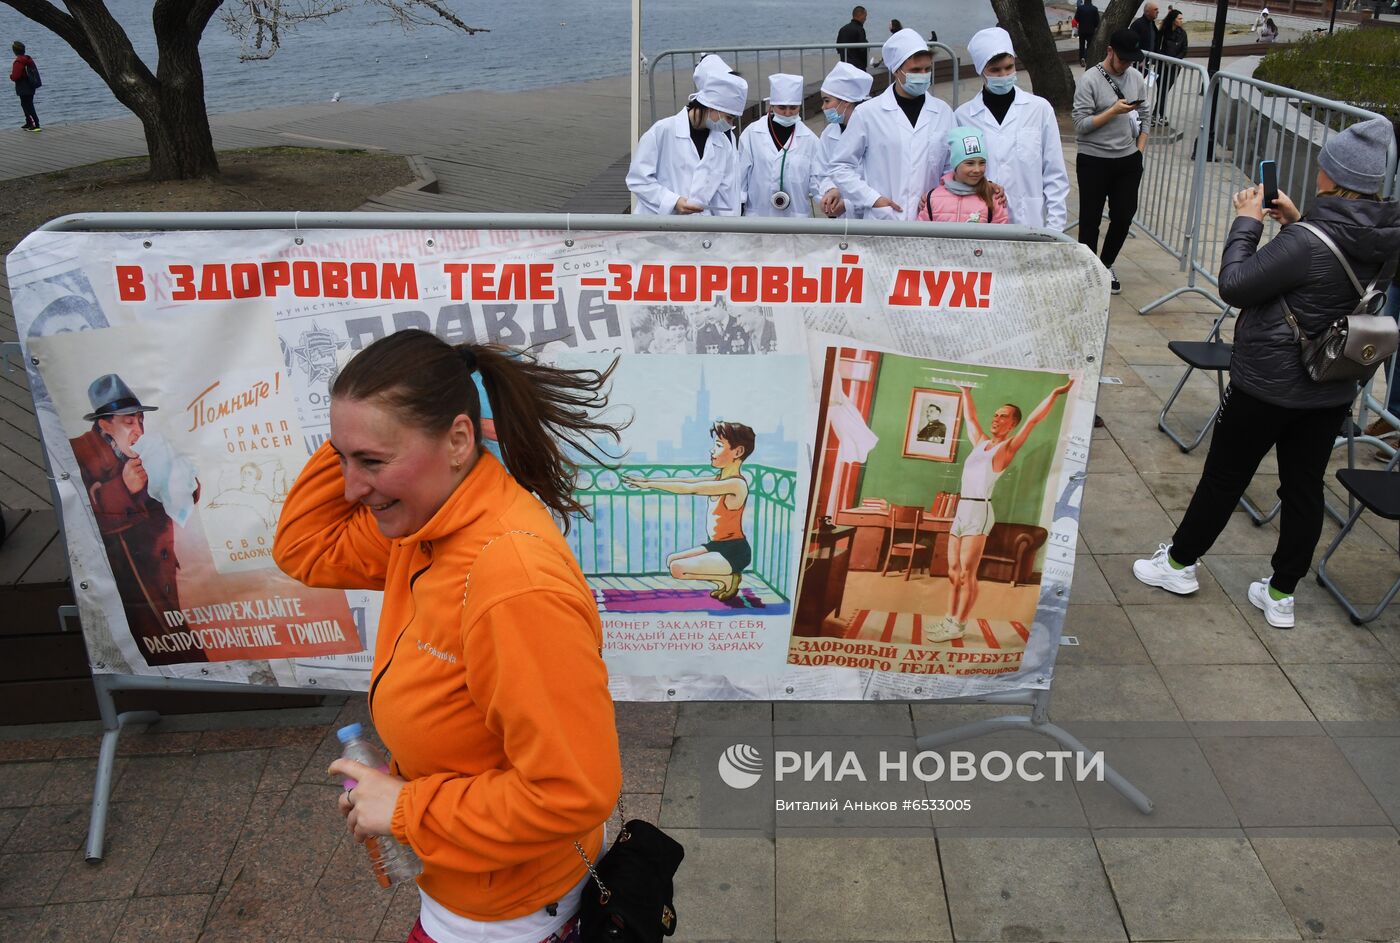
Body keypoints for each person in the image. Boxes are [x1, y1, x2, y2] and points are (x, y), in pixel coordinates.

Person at [275, 330, 624, 941]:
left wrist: (406, 808)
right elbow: (305, 546)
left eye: (373, 461)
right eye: (340, 460)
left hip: (506, 913)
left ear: (459, 440)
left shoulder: (514, 585)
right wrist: (356, 440)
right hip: (464, 885)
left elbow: (573, 792)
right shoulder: (424, 522)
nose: (352, 489)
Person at [1132, 118, 1400, 630]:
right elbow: (1330, 274)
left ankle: (1178, 565)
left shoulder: (1305, 242)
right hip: (1331, 384)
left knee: (1225, 477)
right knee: (1302, 487)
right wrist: (1295, 222)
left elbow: (1235, 283)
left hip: (1268, 383)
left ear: (1330, 172)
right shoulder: (1385, 236)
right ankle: (1281, 594)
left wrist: (1248, 222)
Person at [70, 374, 203, 666]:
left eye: (140, 420)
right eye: (128, 422)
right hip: (125, 574)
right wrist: (123, 487)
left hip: (162, 567)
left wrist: (185, 481)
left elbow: (173, 489)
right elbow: (81, 511)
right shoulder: (80, 450)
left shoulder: (150, 446)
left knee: (177, 638)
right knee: (154, 643)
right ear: (105, 423)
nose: (138, 429)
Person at [930, 380, 1075, 642]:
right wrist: (965, 392)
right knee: (952, 570)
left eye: (1003, 416)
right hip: (962, 509)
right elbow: (971, 417)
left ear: (1012, 424)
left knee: (966, 573)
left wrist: (1054, 393)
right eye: (996, 415)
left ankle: (960, 624)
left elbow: (1032, 420)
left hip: (979, 511)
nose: (996, 419)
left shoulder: (1006, 448)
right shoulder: (980, 443)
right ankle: (950, 619)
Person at [829, 27, 954, 222]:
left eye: (927, 69)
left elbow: (950, 167)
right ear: (896, 70)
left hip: (930, 219)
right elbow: (840, 166)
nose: (923, 75)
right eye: (915, 70)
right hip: (884, 219)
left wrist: (939, 197)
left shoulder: (943, 112)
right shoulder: (868, 113)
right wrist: (873, 199)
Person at [624, 421, 756, 600]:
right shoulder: (719, 479)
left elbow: (691, 488)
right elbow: (689, 482)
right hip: (716, 545)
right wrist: (648, 483)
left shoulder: (736, 484)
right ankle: (726, 579)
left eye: (718, 446)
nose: (712, 451)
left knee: (677, 568)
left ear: (738, 452)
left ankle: (728, 578)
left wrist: (649, 484)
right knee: (671, 561)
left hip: (735, 551)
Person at [953, 27, 1069, 230]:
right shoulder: (963, 117)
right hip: (980, 221)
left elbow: (1054, 173)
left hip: (1030, 220)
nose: (1004, 75)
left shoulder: (1039, 109)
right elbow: (955, 172)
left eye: (1009, 67)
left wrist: (1055, 227)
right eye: (995, 70)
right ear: (981, 71)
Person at [1072, 28, 1151, 294]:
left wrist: (1139, 151)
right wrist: (1112, 111)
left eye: (1132, 60)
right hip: (1093, 159)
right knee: (1090, 219)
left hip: (1127, 159)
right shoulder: (1090, 80)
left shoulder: (1136, 78)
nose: (1127, 64)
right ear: (1110, 52)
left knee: (1124, 216)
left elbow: (1146, 116)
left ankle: (1104, 265)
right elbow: (1080, 125)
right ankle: (1087, 269)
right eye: (1122, 59)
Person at [627, 68, 748, 215]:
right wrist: (673, 201)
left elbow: (726, 195)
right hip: (659, 226)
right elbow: (638, 180)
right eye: (729, 117)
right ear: (711, 106)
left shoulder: (723, 144)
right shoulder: (662, 131)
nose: (730, 124)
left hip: (701, 231)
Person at [738, 73, 823, 217]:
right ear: (771, 106)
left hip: (796, 218)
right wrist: (738, 206)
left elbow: (817, 181)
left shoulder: (810, 140)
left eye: (793, 108)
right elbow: (740, 177)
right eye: (782, 108)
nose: (788, 113)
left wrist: (827, 201)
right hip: (758, 216)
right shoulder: (752, 134)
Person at [815, 61, 874, 219]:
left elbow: (873, 179)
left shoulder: (873, 131)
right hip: (842, 220)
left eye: (827, 101)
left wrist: (847, 203)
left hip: (872, 215)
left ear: (845, 102)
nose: (823, 107)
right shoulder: (829, 133)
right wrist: (829, 192)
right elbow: (821, 173)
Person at [918, 126, 1010, 224]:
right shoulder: (933, 198)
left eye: (982, 162)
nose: (977, 169)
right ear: (955, 164)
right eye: (970, 163)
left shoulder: (993, 199)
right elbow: (920, 236)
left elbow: (1000, 237)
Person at [1154, 10, 1188, 125]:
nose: (1181, 21)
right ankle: (1161, 116)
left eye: (1181, 19)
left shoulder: (1182, 34)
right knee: (1161, 90)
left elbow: (1184, 50)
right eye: (1179, 19)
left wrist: (1174, 61)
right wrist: (1164, 59)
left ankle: (1156, 114)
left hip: (1174, 68)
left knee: (1164, 90)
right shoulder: (1163, 32)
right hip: (1161, 65)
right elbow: (1157, 48)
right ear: (1173, 19)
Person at [10, 40, 39, 132]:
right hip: (31, 84)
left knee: (27, 105)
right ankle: (29, 122)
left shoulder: (18, 61)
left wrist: (11, 76)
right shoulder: (28, 59)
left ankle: (36, 124)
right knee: (26, 104)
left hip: (23, 86)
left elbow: (15, 76)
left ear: (14, 51)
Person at [837, 6, 870, 71]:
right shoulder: (860, 29)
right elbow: (863, 49)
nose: (865, 19)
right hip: (858, 67)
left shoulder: (843, 29)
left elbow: (838, 48)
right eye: (865, 16)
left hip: (845, 65)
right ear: (861, 15)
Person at [1075, 0, 1100, 65]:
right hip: (1091, 30)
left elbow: (1076, 18)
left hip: (1082, 30)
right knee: (1089, 46)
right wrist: (1094, 26)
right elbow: (1097, 21)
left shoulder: (1080, 8)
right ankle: (1086, 58)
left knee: (1081, 45)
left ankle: (1081, 59)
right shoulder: (1094, 9)